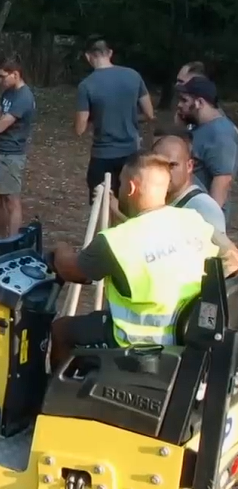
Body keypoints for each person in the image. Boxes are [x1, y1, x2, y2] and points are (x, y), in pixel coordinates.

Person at [47, 152, 238, 369]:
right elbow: (232, 259)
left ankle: (55, 398)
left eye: (120, 185)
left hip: (136, 342)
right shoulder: (193, 220)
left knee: (61, 330)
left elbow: (71, 271)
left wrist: (59, 250)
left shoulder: (116, 241)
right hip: (188, 336)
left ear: (131, 188)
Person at [74, 38, 154, 201]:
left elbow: (79, 128)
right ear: (110, 53)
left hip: (103, 155)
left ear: (88, 57)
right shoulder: (133, 75)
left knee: (101, 205)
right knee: (129, 203)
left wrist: (97, 119)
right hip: (131, 153)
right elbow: (149, 114)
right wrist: (129, 116)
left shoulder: (86, 85)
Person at [0, 58, 36, 238]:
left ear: (15, 74)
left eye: (2, 77)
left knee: (11, 200)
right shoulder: (8, 92)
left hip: (11, 154)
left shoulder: (24, 97)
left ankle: (13, 239)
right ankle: (0, 237)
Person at [175, 76, 237, 211]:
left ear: (200, 103)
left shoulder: (220, 134)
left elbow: (223, 180)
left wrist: (210, 222)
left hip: (202, 217)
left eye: (184, 100)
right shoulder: (201, 126)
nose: (179, 105)